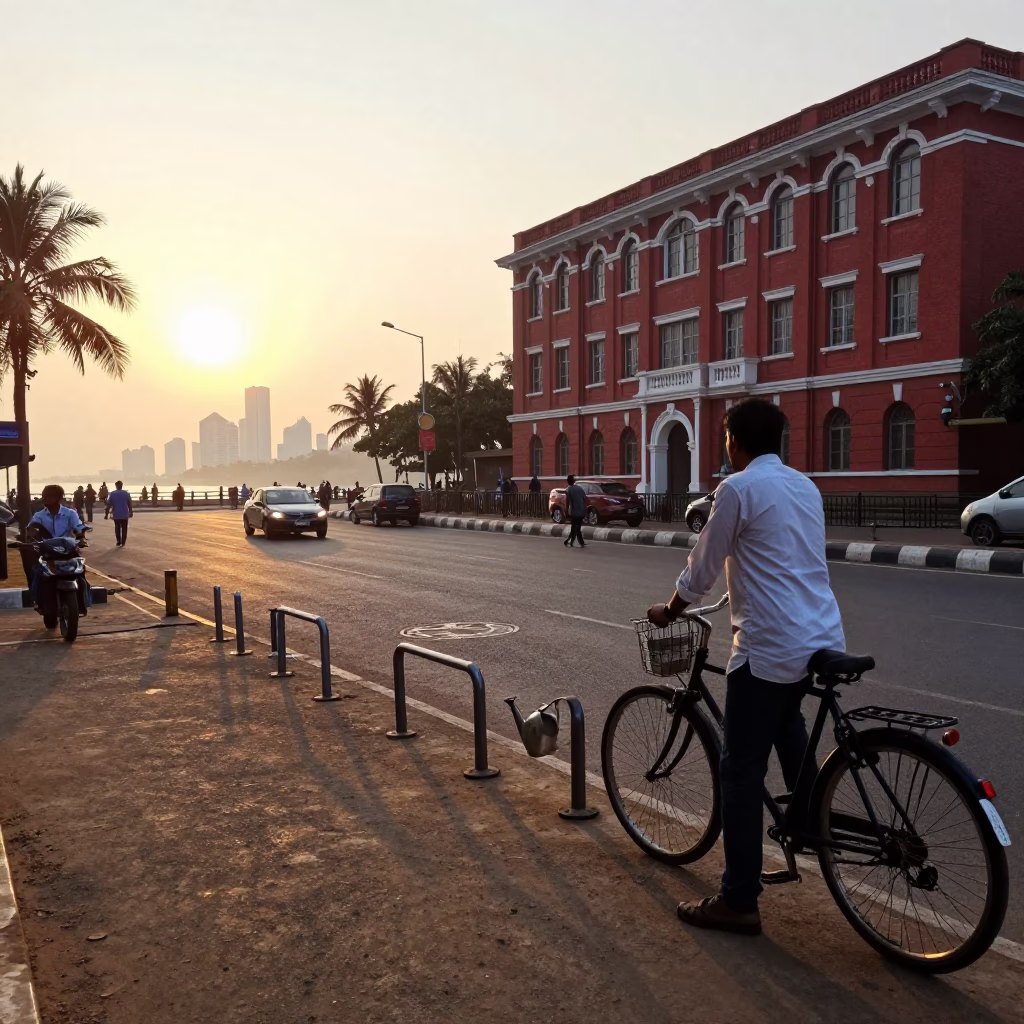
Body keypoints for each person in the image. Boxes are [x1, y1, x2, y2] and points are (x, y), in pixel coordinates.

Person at [646, 398, 845, 938]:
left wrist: (670, 610)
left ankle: (738, 899)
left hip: (769, 643)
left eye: (726, 438)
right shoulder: (805, 486)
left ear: (734, 441)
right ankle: (807, 816)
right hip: (818, 635)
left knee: (739, 770)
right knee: (785, 719)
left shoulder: (736, 489)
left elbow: (703, 569)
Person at [26, 485, 87, 604]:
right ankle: (38, 601)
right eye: (44, 497)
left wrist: (81, 538)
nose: (45, 500)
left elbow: (78, 527)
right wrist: (31, 536)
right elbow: (32, 528)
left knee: (81, 572)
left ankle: (84, 601)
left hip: (68, 551)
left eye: (49, 497)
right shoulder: (39, 516)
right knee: (38, 573)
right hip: (48, 552)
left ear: (58, 498)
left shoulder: (70, 513)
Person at [106, 480, 134, 547]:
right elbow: (129, 503)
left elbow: (109, 505)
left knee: (117, 528)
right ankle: (123, 542)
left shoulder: (112, 494)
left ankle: (118, 541)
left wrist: (106, 514)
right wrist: (131, 511)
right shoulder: (126, 493)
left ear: (116, 486)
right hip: (125, 514)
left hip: (116, 514)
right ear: (122, 485)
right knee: (124, 528)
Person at [563, 474, 586, 548]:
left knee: (575, 527)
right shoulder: (580, 488)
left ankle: (570, 541)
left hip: (575, 511)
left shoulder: (568, 490)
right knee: (577, 527)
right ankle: (577, 541)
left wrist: (567, 512)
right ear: (574, 481)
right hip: (582, 510)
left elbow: (568, 502)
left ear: (567, 481)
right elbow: (585, 499)